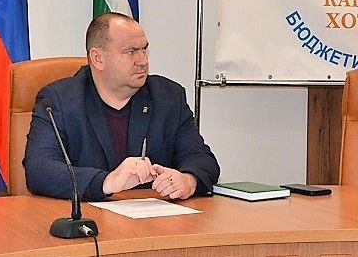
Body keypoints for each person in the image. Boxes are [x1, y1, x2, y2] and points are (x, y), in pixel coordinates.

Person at [24, 12, 219, 201]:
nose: (143, 61)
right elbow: (39, 170)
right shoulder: (58, 101)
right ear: (98, 59)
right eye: (131, 52)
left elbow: (202, 159)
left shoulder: (168, 97)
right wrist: (108, 181)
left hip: (152, 218)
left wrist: (188, 180)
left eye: (144, 49)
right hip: (87, 217)